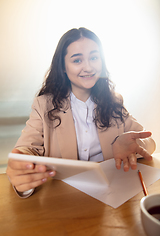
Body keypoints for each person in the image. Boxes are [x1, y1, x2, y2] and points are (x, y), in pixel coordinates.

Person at [6, 27, 156, 198]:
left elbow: (148, 142)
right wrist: (22, 172)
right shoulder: (43, 105)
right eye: (77, 60)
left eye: (94, 58)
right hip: (64, 197)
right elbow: (26, 151)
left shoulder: (114, 101)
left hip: (112, 193)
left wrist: (130, 145)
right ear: (63, 66)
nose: (88, 67)